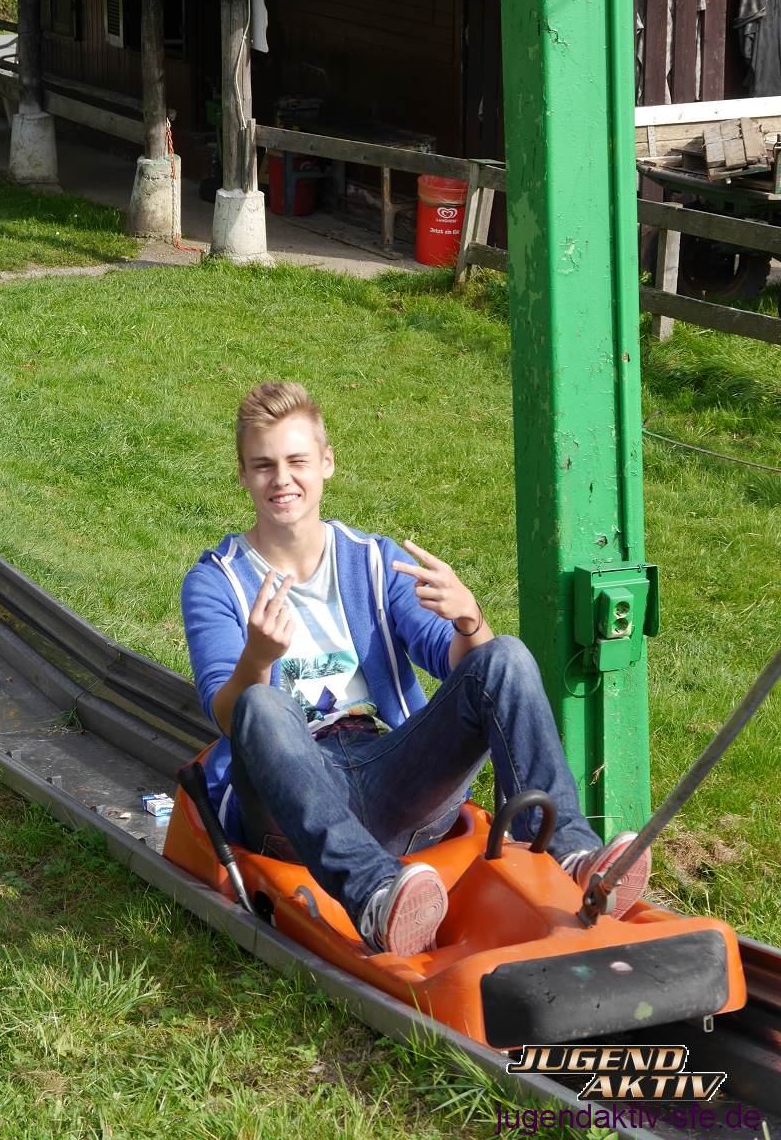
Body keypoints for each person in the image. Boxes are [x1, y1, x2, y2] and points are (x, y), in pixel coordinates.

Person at [181, 382, 651, 957]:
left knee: (504, 654)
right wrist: (257, 658)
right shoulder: (215, 582)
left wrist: (469, 620)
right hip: (289, 794)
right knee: (262, 703)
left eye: (297, 461)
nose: (282, 479)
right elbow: (227, 716)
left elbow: (461, 665)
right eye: (264, 465)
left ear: (326, 462)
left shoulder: (374, 561)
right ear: (243, 474)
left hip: (391, 772)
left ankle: (569, 853)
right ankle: (377, 897)